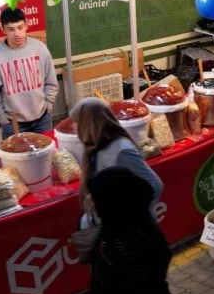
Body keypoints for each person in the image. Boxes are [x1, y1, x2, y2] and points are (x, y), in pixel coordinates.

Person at [70, 97, 163, 229]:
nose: (74, 127)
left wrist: (126, 215)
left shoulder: (122, 150)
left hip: (128, 232)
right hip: (104, 228)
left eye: (77, 122)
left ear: (89, 123)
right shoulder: (93, 147)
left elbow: (155, 186)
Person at [88, 166, 173, 294]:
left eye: (95, 197)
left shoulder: (121, 247)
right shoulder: (141, 226)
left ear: (111, 204)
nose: (90, 200)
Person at [0, 8, 58, 139]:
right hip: (13, 123)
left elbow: (50, 80)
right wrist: (3, 119)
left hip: (43, 117)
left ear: (26, 26)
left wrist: (49, 105)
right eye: (11, 29)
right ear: (3, 30)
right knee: (17, 159)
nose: (17, 33)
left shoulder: (39, 48)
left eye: (20, 27)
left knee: (46, 157)